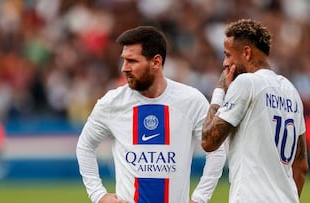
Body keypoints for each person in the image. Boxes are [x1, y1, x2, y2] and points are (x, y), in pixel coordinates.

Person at [76, 26, 226, 203]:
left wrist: (200, 198)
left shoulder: (191, 100)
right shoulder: (112, 103)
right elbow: (85, 146)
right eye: (124, 60)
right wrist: (98, 195)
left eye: (132, 61)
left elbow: (217, 151)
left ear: (156, 62)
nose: (124, 68)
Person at [201, 19, 309, 203]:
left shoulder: (247, 83)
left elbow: (208, 141)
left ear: (246, 52)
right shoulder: (291, 91)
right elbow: (301, 165)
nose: (224, 63)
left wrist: (219, 91)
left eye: (227, 55)